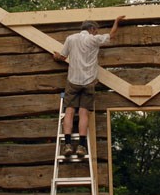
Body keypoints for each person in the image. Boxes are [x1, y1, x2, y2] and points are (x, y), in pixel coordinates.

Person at [53, 16, 125, 157]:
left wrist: (56, 56)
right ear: (92, 29)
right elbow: (111, 36)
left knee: (69, 112)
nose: (96, 32)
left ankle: (67, 145)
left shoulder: (71, 39)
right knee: (84, 113)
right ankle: (81, 146)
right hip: (88, 82)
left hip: (73, 81)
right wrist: (116, 22)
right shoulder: (94, 39)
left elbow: (62, 57)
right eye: (96, 30)